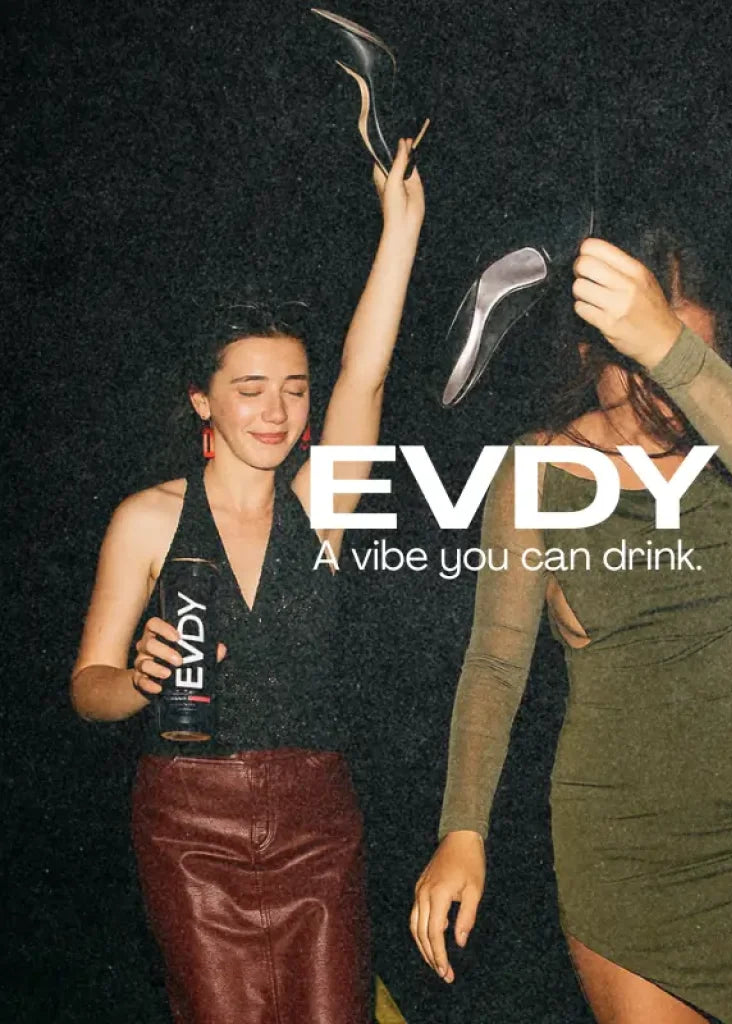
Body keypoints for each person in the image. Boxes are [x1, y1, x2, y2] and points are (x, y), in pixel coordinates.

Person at [411, 225, 732, 1023]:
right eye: (639, 360)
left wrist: (664, 343)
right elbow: (496, 663)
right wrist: (463, 831)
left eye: (687, 355)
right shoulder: (534, 470)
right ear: (589, 351)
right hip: (624, 842)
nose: (666, 390)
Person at [71, 139, 424, 1024]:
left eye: (294, 390)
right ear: (204, 399)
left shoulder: (321, 508)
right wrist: (140, 679)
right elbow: (88, 687)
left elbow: (366, 373)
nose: (276, 411)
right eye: (251, 388)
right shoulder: (147, 518)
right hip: (190, 825)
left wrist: (401, 228)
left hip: (318, 822)